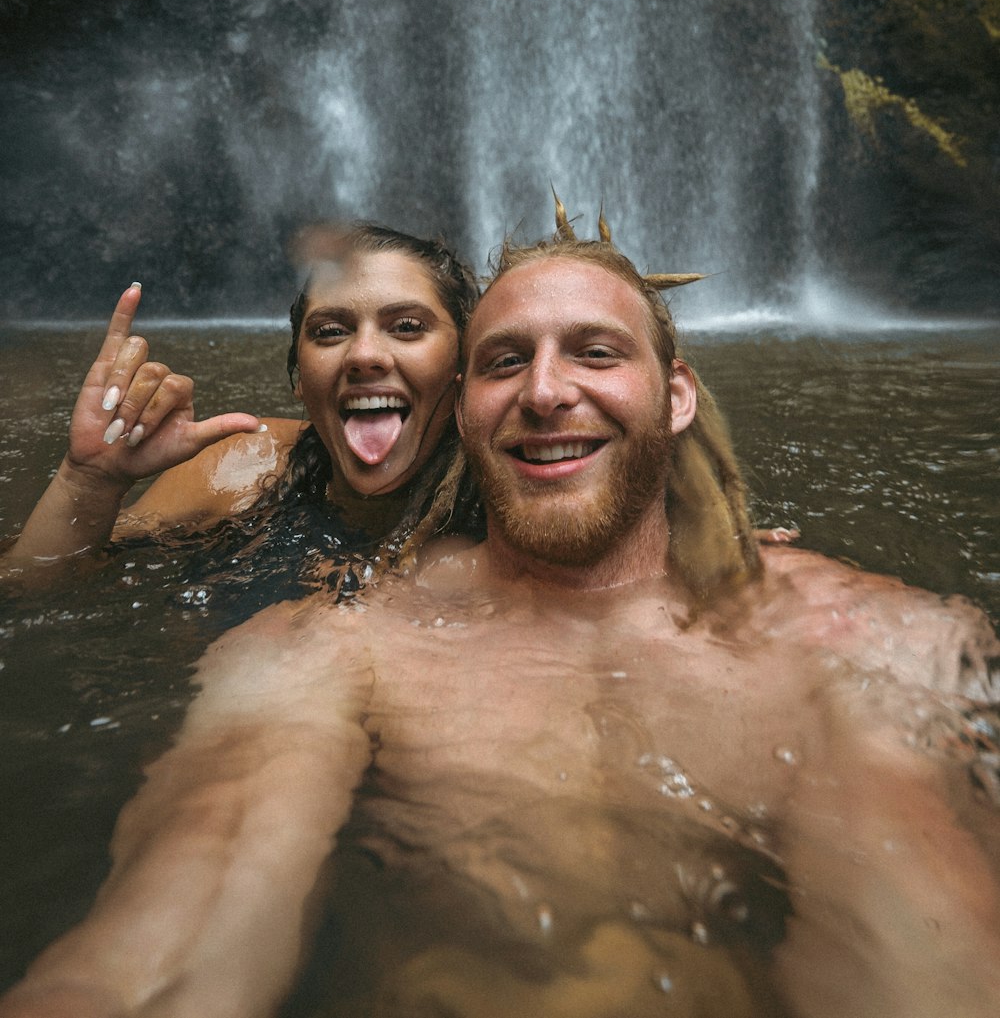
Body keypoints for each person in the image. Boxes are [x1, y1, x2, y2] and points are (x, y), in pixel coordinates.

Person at [4, 214, 999, 1018]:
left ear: (677, 396)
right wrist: (89, 482)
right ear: (466, 405)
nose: (548, 390)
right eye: (506, 361)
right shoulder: (337, 633)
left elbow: (923, 944)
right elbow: (189, 907)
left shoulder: (855, 636)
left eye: (595, 353)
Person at [0, 223, 482, 599]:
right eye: (331, 332)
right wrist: (89, 482)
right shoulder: (239, 466)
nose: (363, 355)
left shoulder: (515, 498)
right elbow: (30, 591)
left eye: (407, 327)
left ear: (465, 367)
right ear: (298, 379)